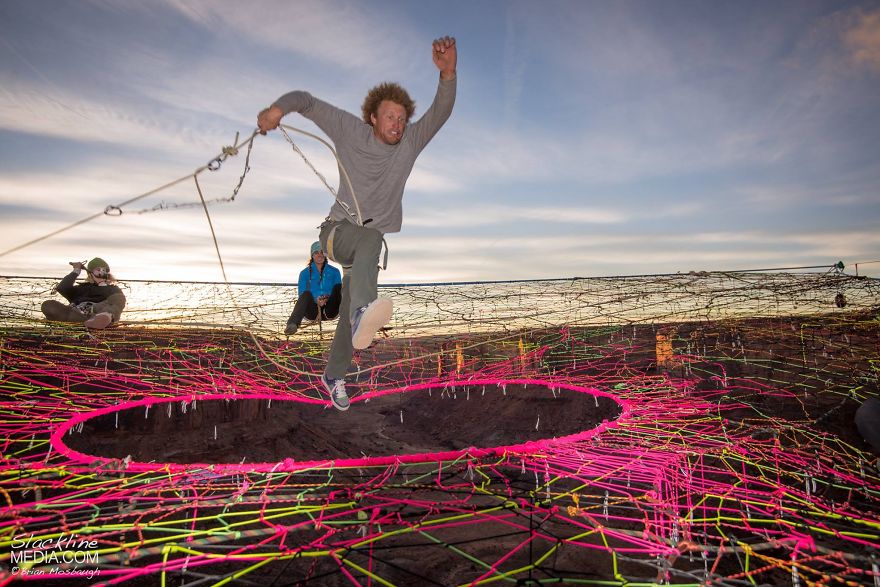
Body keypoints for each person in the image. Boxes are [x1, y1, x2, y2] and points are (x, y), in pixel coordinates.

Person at [257, 35, 457, 411]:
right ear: (372, 117)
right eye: (389, 117)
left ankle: (334, 375)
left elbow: (440, 113)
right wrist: (276, 110)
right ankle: (364, 310)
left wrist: (448, 74)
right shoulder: (350, 131)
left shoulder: (411, 142)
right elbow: (307, 101)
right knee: (367, 242)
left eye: (402, 118)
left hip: (363, 255)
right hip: (337, 234)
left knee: (353, 319)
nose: (397, 124)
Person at [41, 258, 126, 329]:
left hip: (96, 312)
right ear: (90, 272)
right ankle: (83, 323)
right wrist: (76, 271)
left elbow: (117, 303)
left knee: (118, 298)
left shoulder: (113, 289)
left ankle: (103, 318)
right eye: (98, 269)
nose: (102, 272)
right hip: (76, 314)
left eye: (105, 270)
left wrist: (103, 314)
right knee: (48, 305)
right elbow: (63, 288)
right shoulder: (81, 288)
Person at [285, 241, 342, 335]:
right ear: (312, 255)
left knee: (339, 287)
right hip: (312, 312)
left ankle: (350, 321)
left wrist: (327, 298)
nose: (319, 255)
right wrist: (316, 300)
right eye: (316, 253)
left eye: (322, 252)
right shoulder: (304, 273)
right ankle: (292, 324)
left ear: (326, 254)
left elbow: (338, 294)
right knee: (306, 294)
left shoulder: (335, 272)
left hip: (331, 310)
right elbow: (302, 294)